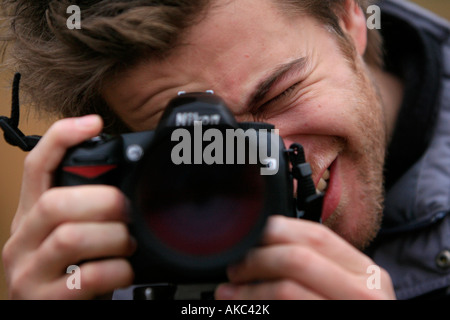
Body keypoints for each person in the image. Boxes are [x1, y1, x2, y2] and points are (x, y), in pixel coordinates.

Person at [0, 0, 448, 300]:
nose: (265, 165)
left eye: (278, 95)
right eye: (193, 148)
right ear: (128, 156)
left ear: (348, 19)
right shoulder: (121, 250)